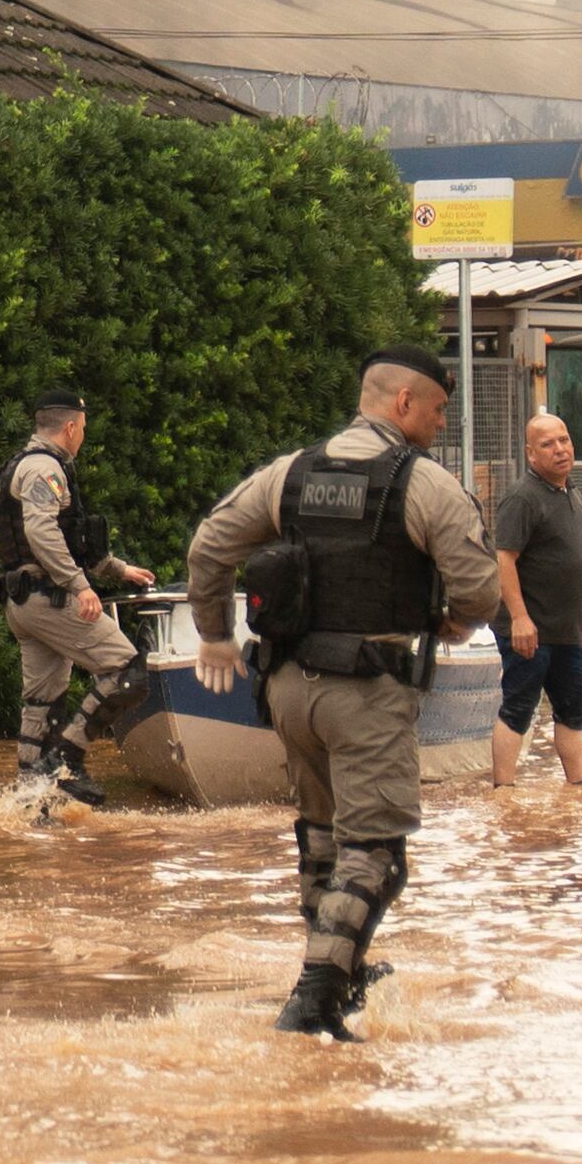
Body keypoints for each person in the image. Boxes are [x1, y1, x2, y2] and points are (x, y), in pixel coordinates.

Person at [185, 347, 502, 1040]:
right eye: (439, 408)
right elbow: (481, 588)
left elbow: (210, 545)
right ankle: (316, 994)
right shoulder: (424, 484)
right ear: (403, 404)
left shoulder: (290, 473)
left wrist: (213, 636)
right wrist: (454, 623)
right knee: (378, 852)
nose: (443, 422)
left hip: (289, 692)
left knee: (324, 839)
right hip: (368, 692)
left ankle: (344, 969)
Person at [0, 385, 160, 804]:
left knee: (41, 704)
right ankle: (67, 759)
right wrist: (81, 586)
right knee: (127, 672)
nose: (83, 435)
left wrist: (118, 570)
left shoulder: (30, 466)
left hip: (26, 602)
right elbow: (41, 531)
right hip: (49, 599)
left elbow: (73, 539)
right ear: (70, 427)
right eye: (83, 428)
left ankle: (31, 805)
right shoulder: (43, 469)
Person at [491, 412, 582, 787]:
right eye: (548, 444)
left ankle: (578, 787)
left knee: (574, 706)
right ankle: (503, 791)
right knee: (519, 707)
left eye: (564, 440)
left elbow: (568, 556)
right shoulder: (522, 498)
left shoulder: (572, 492)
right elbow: (504, 559)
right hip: (529, 630)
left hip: (565, 629)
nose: (560, 450)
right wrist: (519, 618)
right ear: (531, 455)